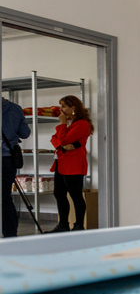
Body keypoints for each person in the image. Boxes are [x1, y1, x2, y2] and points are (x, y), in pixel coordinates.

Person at [49, 95, 93, 232]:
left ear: (73, 108)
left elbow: (64, 140)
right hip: (60, 162)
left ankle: (79, 225)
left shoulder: (82, 124)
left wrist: (62, 125)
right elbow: (54, 138)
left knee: (75, 195)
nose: (61, 110)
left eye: (63, 106)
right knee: (59, 193)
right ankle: (63, 224)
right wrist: (61, 145)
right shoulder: (69, 123)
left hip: (73, 164)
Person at [2, 97, 31, 237]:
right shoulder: (15, 108)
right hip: (8, 158)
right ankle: (10, 234)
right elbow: (25, 133)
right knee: (5, 197)